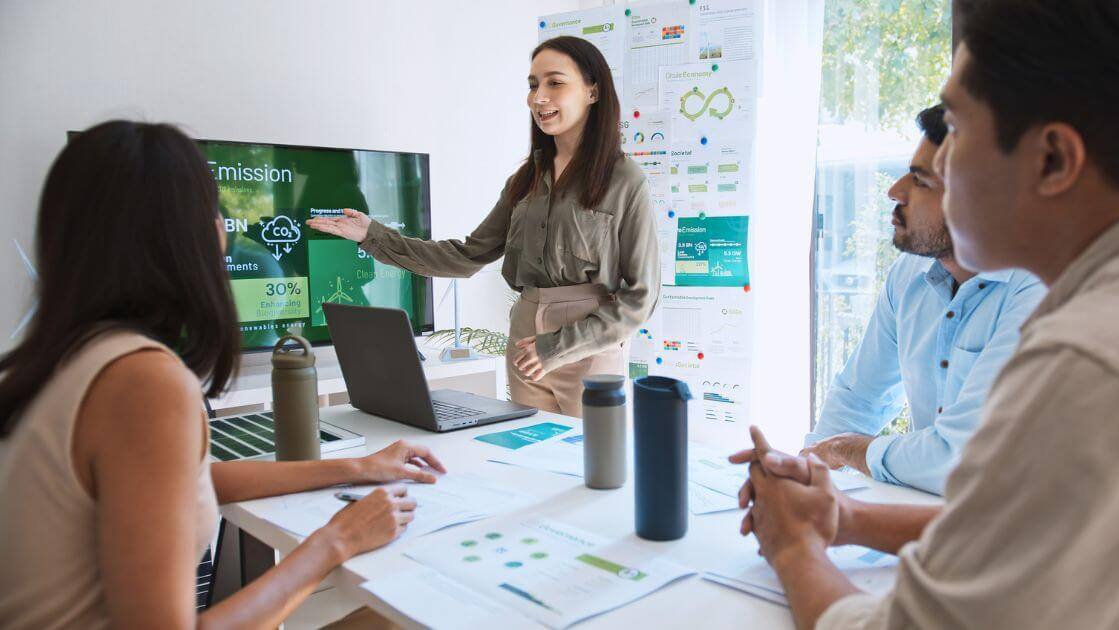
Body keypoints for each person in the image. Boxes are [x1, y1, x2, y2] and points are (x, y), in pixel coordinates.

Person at [734, 0, 1119, 627]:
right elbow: (1029, 527)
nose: (934, 168)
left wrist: (793, 544)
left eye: (956, 125)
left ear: (1053, 159)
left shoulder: (1094, 358)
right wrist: (844, 517)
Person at [0, 121, 447, 629]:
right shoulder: (142, 381)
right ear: (204, 235)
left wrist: (358, 467)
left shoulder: (63, 358)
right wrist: (336, 541)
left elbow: (190, 479)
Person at [307, 36, 659, 418]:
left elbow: (642, 295)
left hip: (587, 350)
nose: (538, 98)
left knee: (594, 467)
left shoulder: (624, 179)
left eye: (554, 83)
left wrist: (557, 347)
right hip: (525, 341)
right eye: (532, 85)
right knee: (530, 462)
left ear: (593, 91)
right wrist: (372, 236)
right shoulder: (524, 180)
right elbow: (467, 256)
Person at [803, 105, 1044, 495]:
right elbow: (860, 395)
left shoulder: (1035, 291)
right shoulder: (909, 275)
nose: (895, 191)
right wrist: (804, 469)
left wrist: (845, 450)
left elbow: (958, 456)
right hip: (931, 519)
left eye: (921, 181)